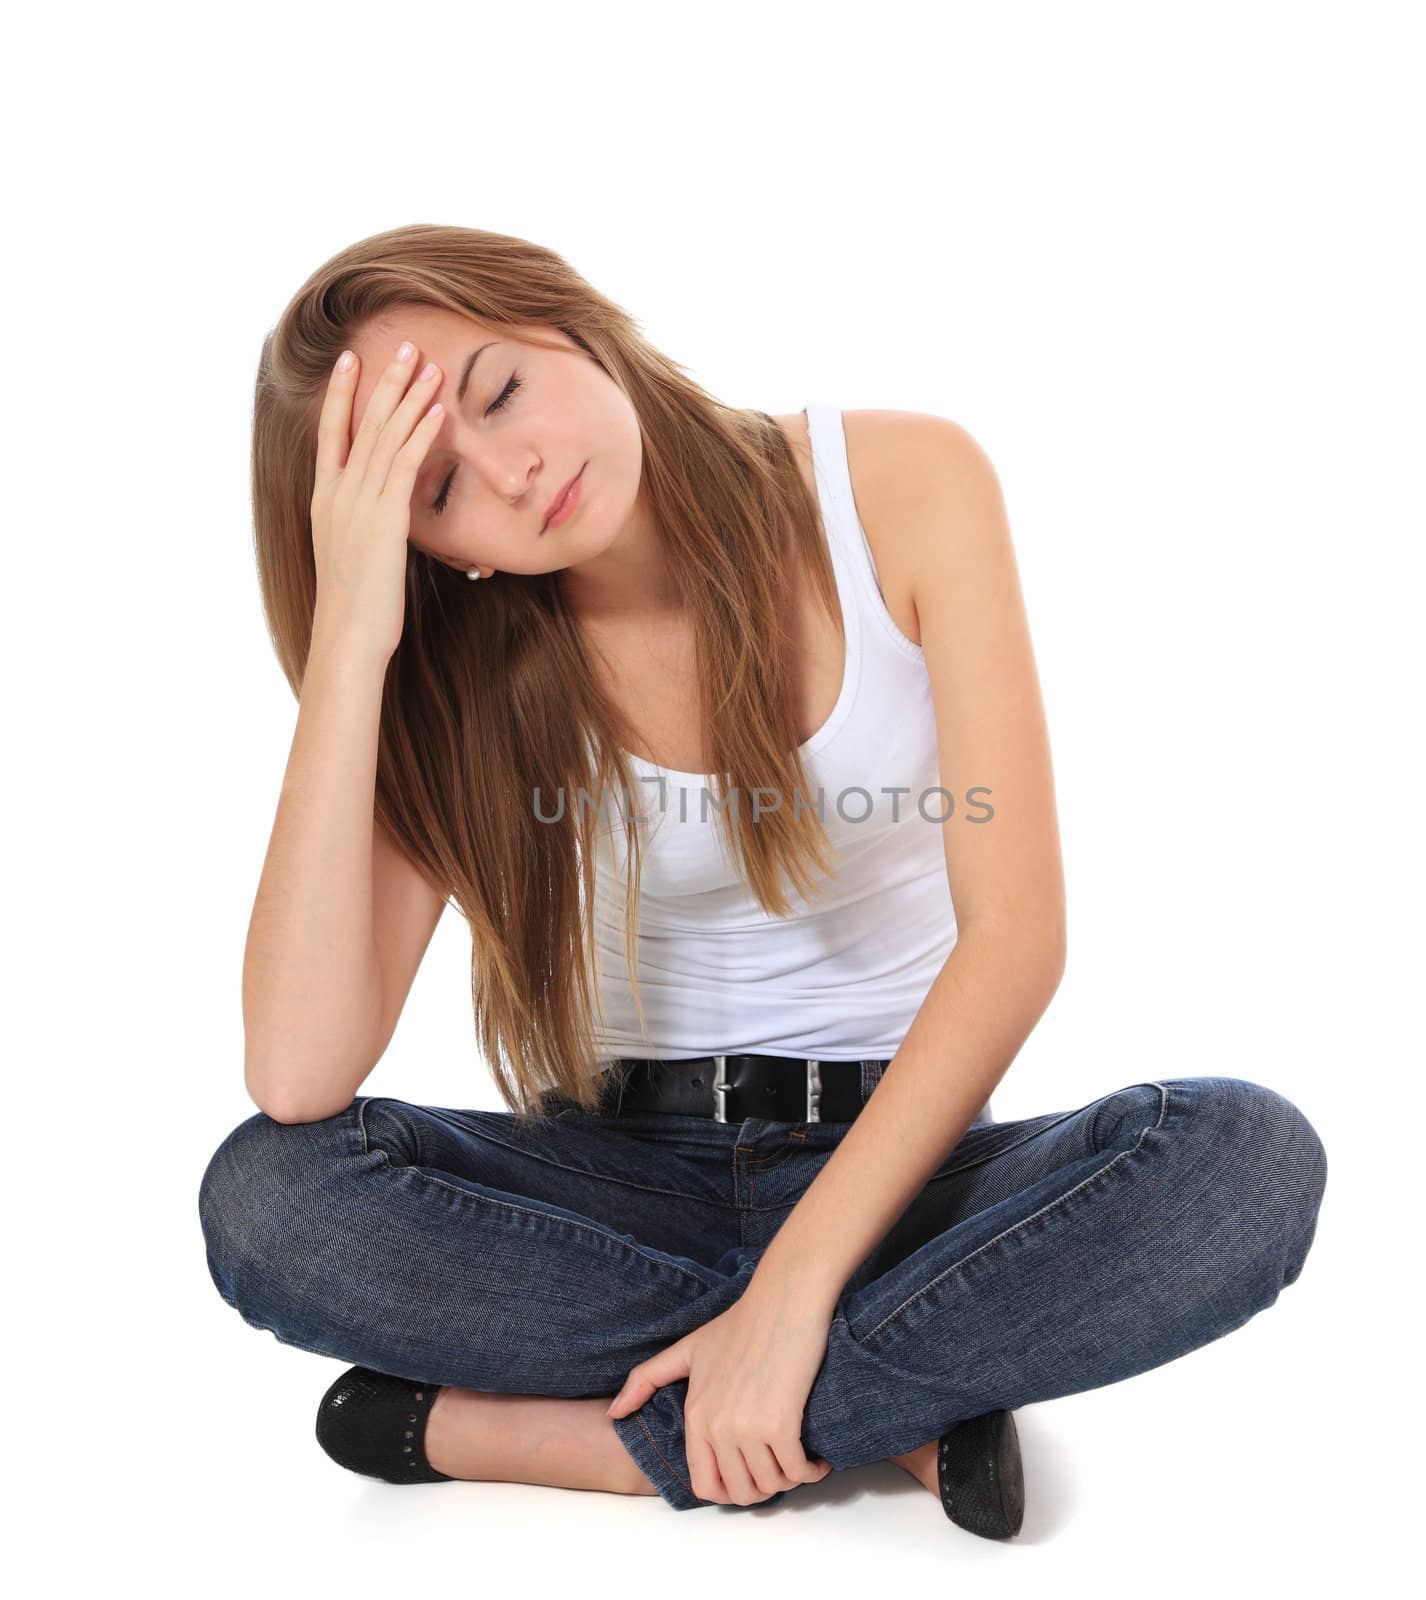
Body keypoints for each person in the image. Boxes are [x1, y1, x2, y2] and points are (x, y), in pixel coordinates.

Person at [196, 223, 1329, 1540]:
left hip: (904, 1175)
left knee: (1244, 1165)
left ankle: (592, 1437)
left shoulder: (902, 483)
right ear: (431, 546)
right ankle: (882, 1397)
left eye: (500, 391)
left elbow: (1017, 939)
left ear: (565, 317)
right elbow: (294, 1073)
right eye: (439, 491)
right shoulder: (450, 674)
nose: (515, 471)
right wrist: (352, 637)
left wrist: (794, 1294)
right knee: (265, 1199)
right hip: (621, 1191)